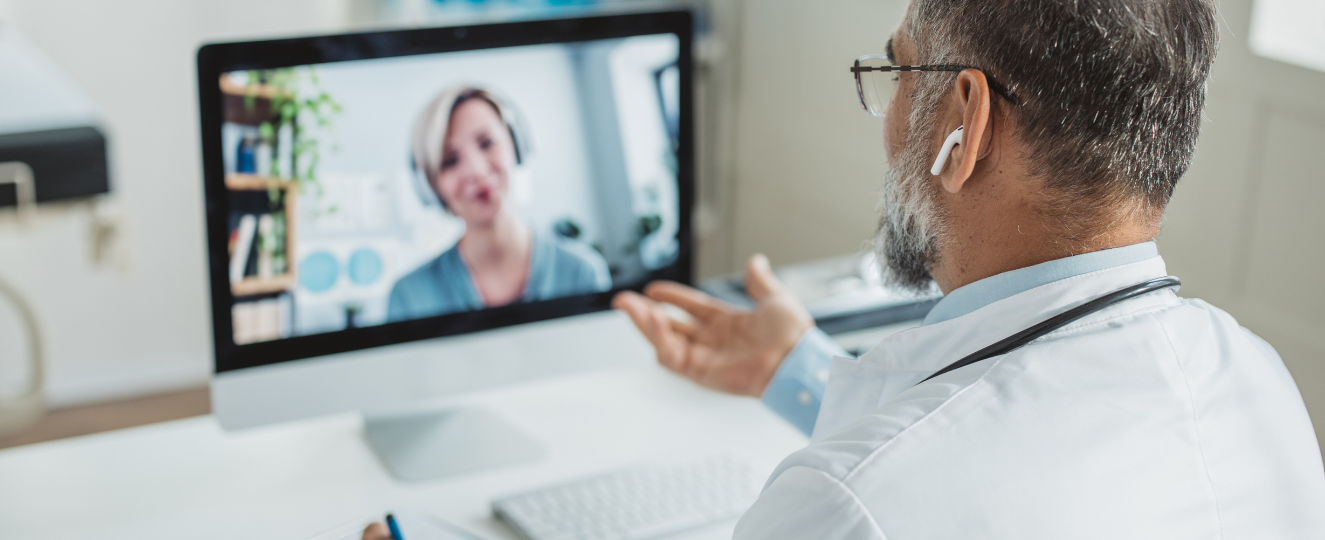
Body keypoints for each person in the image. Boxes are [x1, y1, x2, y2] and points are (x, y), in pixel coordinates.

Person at [363, 0, 1325, 538]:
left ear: (964, 123)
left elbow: (901, 486)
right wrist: (800, 373)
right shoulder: (1261, 387)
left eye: (897, 74)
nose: (888, 117)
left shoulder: (848, 506)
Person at [386, 87, 611, 322]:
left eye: (487, 143)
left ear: (516, 145)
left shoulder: (582, 271)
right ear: (432, 186)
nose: (476, 170)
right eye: (450, 161)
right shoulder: (408, 298)